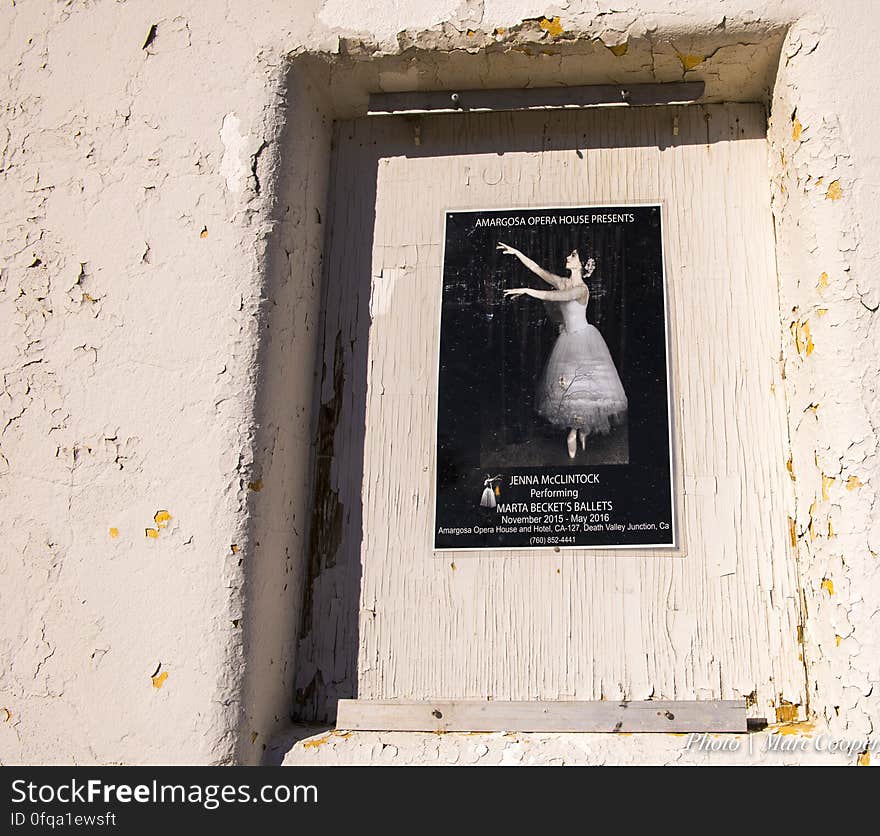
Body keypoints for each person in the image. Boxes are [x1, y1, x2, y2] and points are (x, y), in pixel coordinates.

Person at [498, 242, 627, 458]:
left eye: (573, 255)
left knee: (583, 390)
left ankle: (577, 431)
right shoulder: (563, 282)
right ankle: (578, 430)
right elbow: (538, 270)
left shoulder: (580, 289)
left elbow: (553, 297)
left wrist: (526, 290)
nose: (568, 256)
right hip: (568, 340)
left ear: (580, 264)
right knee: (570, 388)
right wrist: (517, 253)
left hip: (585, 341)